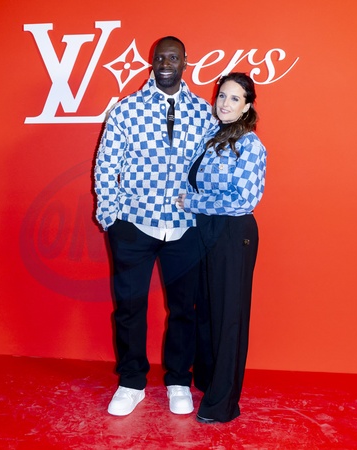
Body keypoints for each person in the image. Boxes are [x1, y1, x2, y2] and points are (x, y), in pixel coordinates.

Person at [94, 36, 214, 416]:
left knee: (184, 310)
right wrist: (110, 217)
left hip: (185, 227)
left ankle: (178, 380)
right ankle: (131, 382)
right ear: (152, 61)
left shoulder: (203, 112)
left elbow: (213, 167)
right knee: (129, 308)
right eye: (160, 57)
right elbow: (106, 165)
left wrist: (205, 211)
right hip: (134, 224)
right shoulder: (127, 109)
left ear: (185, 62)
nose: (165, 63)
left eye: (173, 57)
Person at [177, 72, 267, 423]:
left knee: (229, 316)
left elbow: (244, 200)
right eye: (222, 96)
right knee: (206, 310)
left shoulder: (250, 144)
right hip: (205, 230)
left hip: (233, 233)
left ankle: (222, 404)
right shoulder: (211, 136)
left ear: (247, 107)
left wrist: (194, 203)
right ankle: (207, 379)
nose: (225, 103)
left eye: (234, 98)